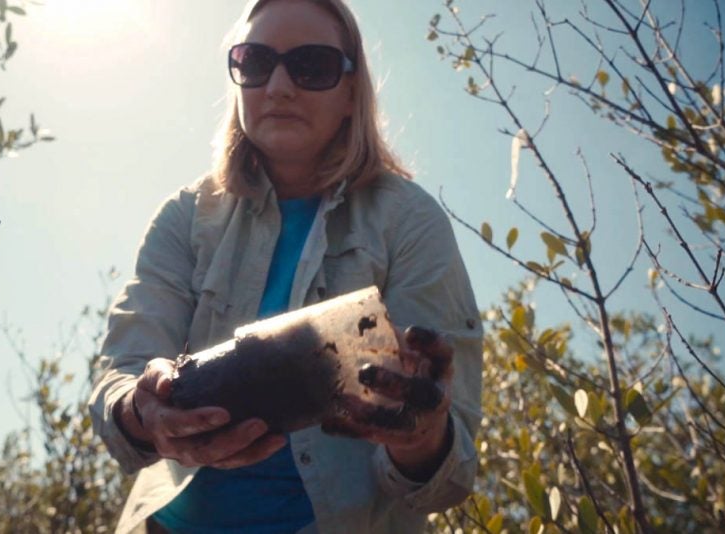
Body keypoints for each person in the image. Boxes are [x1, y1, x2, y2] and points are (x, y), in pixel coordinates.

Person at [88, 0, 482, 532]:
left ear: (350, 92)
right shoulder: (184, 217)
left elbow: (447, 475)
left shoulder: (410, 220)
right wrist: (142, 411)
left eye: (312, 65)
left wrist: (421, 435)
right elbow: (122, 376)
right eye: (255, 62)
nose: (277, 86)